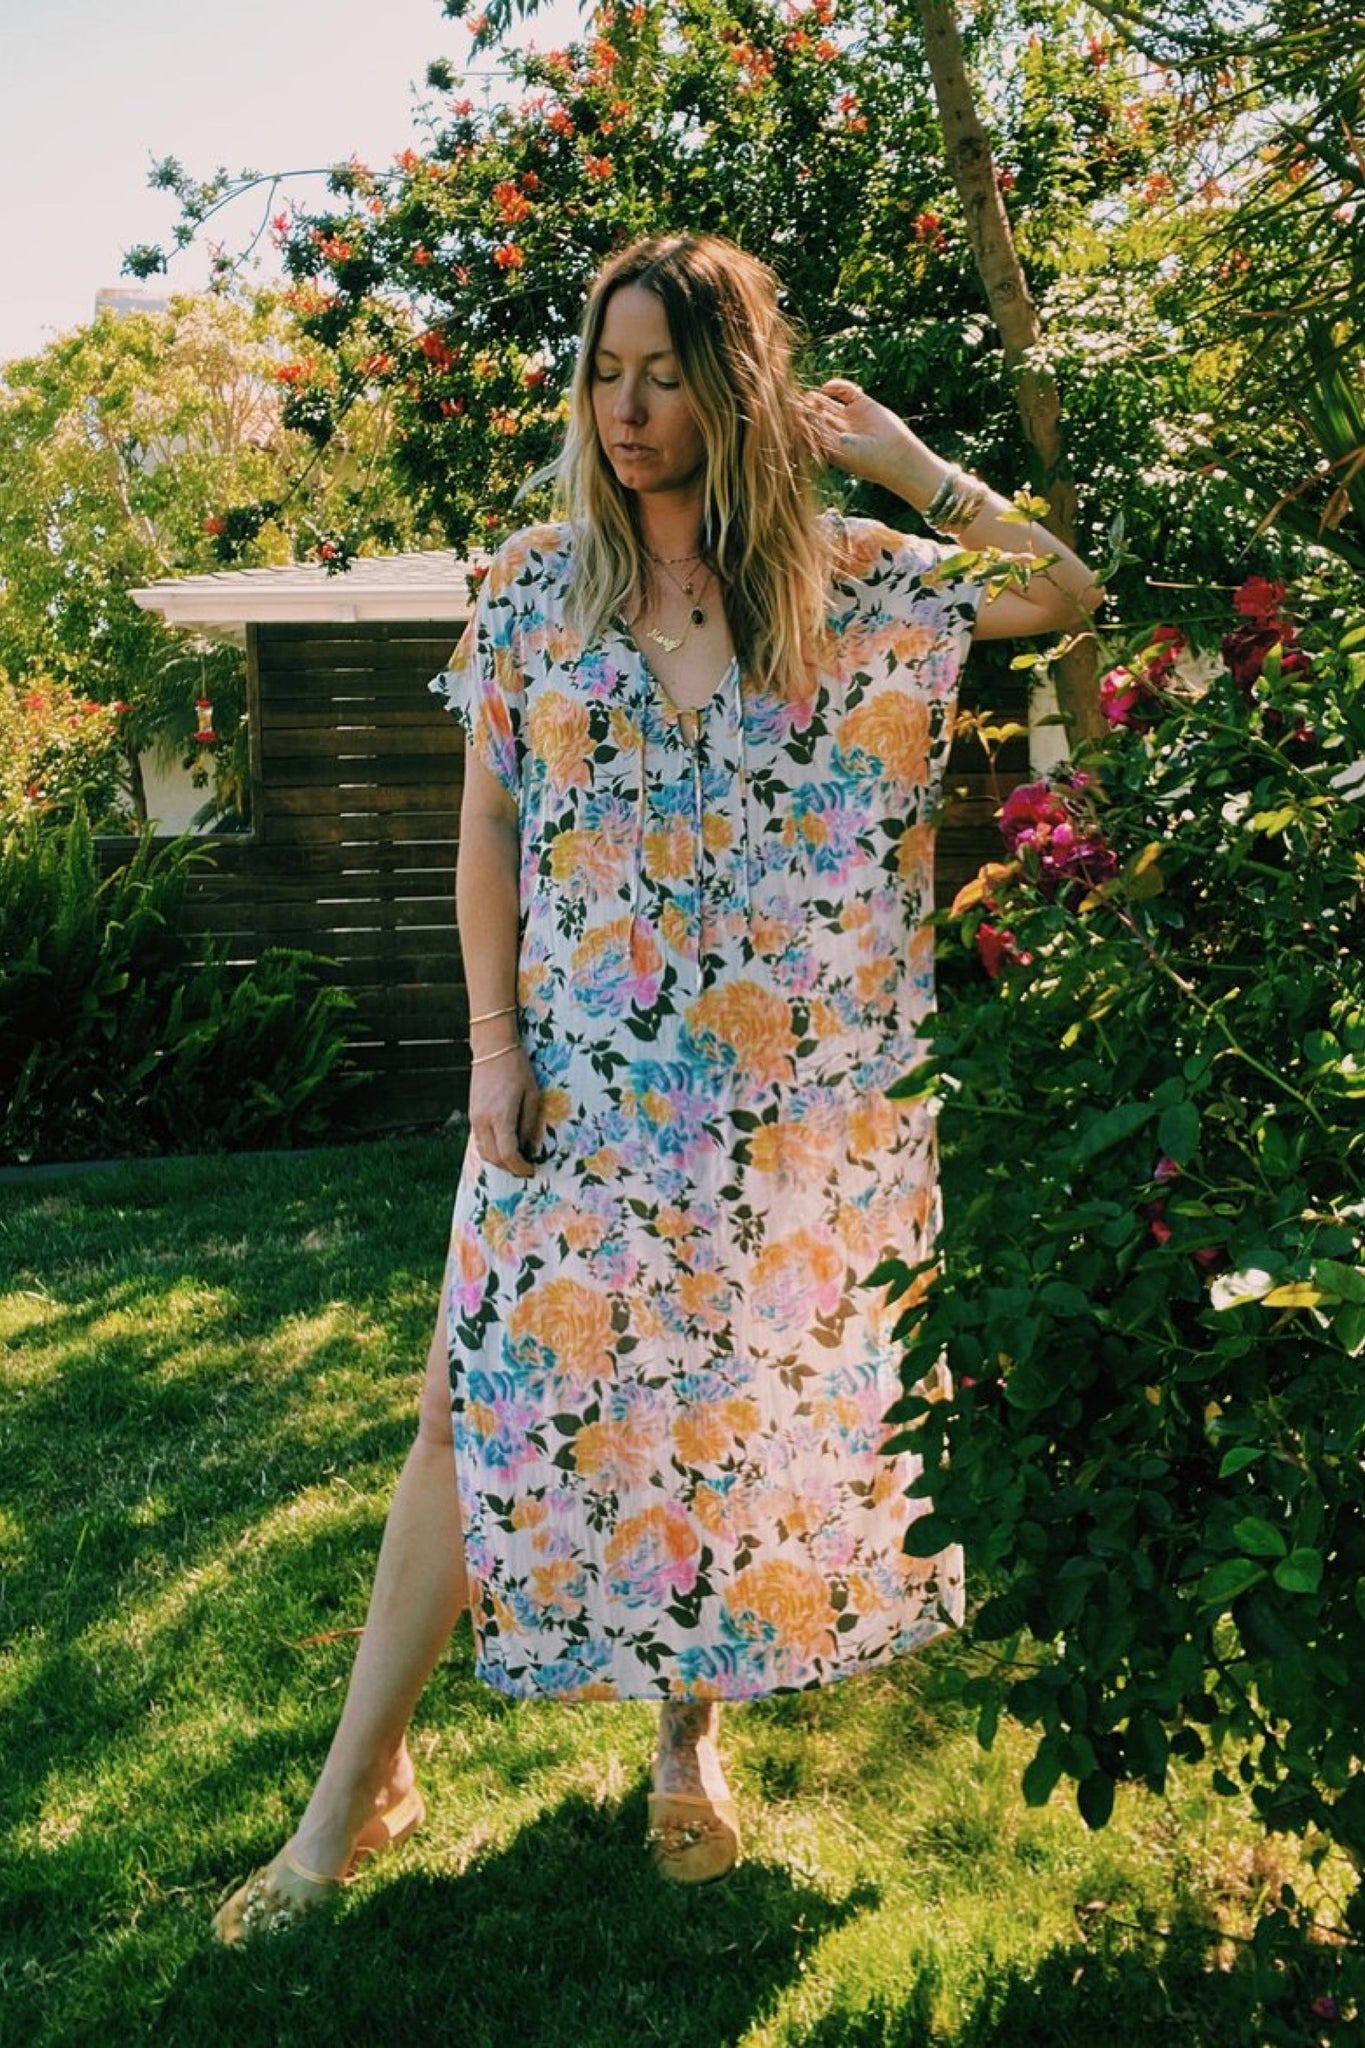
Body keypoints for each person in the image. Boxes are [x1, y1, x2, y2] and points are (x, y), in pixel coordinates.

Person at [212, 233, 1101, 1941]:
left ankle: (688, 1742)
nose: (625, 410)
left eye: (664, 375)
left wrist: (910, 465)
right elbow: (487, 827)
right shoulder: (534, 587)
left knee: (713, 1414)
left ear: (732, 388)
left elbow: (1059, 594)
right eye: (605, 373)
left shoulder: (849, 580)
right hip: (571, 1093)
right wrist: (492, 1049)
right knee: (468, 1412)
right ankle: (352, 1796)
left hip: (779, 1113)